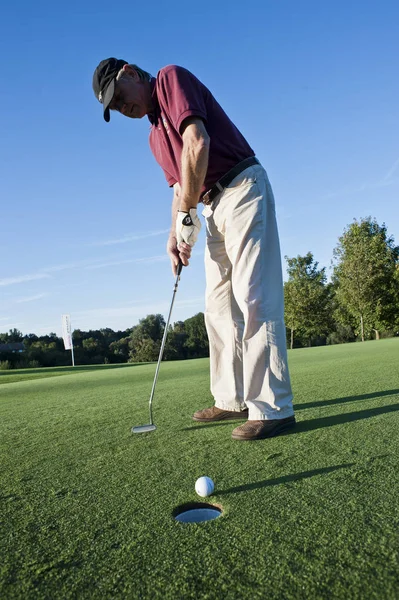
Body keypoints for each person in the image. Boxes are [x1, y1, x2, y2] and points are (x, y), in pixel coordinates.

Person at [92, 58, 295, 440]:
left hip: (242, 188)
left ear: (132, 73)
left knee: (254, 297)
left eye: (120, 95)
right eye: (115, 107)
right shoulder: (154, 137)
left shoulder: (170, 79)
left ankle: (272, 407)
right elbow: (177, 187)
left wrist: (186, 212)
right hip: (211, 205)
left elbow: (197, 142)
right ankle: (231, 397)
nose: (123, 107)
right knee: (218, 307)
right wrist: (174, 233)